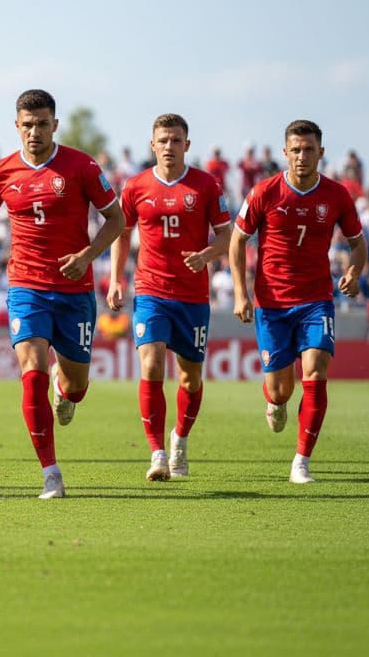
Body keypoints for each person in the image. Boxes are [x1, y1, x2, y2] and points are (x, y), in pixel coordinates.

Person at [0, 89, 125, 498]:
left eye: (42, 124)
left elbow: (116, 219)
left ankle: (66, 391)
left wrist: (87, 256)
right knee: (30, 371)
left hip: (75, 290)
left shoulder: (81, 166)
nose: (34, 132)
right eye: (27, 125)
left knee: (77, 384)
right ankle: (51, 472)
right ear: (17, 126)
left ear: (55, 125)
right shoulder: (0, 172)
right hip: (26, 287)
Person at [229, 119, 366, 484]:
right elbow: (237, 241)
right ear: (284, 152)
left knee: (316, 372)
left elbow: (358, 244)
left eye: (309, 150)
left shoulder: (336, 195)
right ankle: (274, 402)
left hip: (316, 300)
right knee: (281, 389)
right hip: (271, 304)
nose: (302, 156)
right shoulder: (264, 192)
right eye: (296, 150)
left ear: (321, 153)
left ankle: (301, 461)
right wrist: (241, 293)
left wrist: (354, 272)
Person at [107, 114, 232, 481]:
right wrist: (116, 278)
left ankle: (180, 440)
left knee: (190, 378)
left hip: (193, 296)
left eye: (176, 140)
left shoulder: (206, 186)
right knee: (150, 363)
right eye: (162, 140)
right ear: (152, 144)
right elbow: (121, 232)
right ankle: (157, 452)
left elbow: (227, 236)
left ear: (187, 145)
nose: (169, 147)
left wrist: (207, 256)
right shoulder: (135, 186)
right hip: (150, 290)